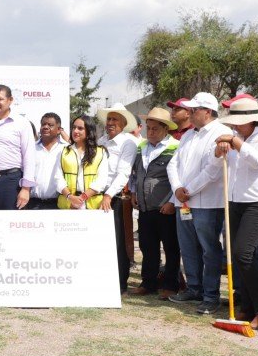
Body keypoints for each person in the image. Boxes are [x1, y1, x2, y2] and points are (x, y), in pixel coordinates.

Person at [214, 98, 258, 329]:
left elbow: (257, 161)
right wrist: (221, 147)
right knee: (234, 254)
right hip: (235, 201)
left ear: (252, 120)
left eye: (238, 123)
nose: (235, 127)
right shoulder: (236, 137)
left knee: (244, 253)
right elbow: (219, 160)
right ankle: (250, 305)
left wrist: (234, 141)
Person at [166, 92, 228, 310]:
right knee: (188, 248)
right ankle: (194, 288)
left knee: (209, 250)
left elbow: (214, 169)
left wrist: (188, 190)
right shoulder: (188, 134)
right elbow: (173, 164)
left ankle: (210, 296)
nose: (190, 114)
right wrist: (177, 188)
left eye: (194, 110)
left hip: (208, 203)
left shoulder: (222, 133)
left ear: (208, 112)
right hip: (183, 201)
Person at [131, 108, 181, 299]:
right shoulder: (141, 146)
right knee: (147, 246)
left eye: (154, 129)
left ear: (165, 129)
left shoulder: (176, 147)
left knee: (171, 248)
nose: (150, 132)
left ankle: (170, 284)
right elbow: (136, 173)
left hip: (165, 207)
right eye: (148, 128)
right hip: (145, 207)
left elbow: (179, 178)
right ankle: (148, 283)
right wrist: (134, 191)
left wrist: (171, 201)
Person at [96, 103, 139, 293]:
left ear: (123, 123)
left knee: (119, 241)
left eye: (115, 119)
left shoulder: (128, 142)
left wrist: (108, 194)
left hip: (114, 197)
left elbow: (124, 173)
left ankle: (120, 283)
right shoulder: (101, 141)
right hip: (96, 195)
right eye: (109, 119)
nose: (110, 123)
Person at [54, 115, 108, 210]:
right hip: (68, 204)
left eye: (80, 128)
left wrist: (82, 198)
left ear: (89, 131)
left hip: (93, 206)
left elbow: (102, 180)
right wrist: (70, 197)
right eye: (74, 127)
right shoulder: (63, 151)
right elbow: (58, 178)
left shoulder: (100, 152)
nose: (75, 131)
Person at [29, 113, 66, 210]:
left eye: (50, 125)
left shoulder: (66, 149)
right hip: (33, 204)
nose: (45, 127)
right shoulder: (31, 148)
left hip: (58, 204)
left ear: (59, 130)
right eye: (43, 124)